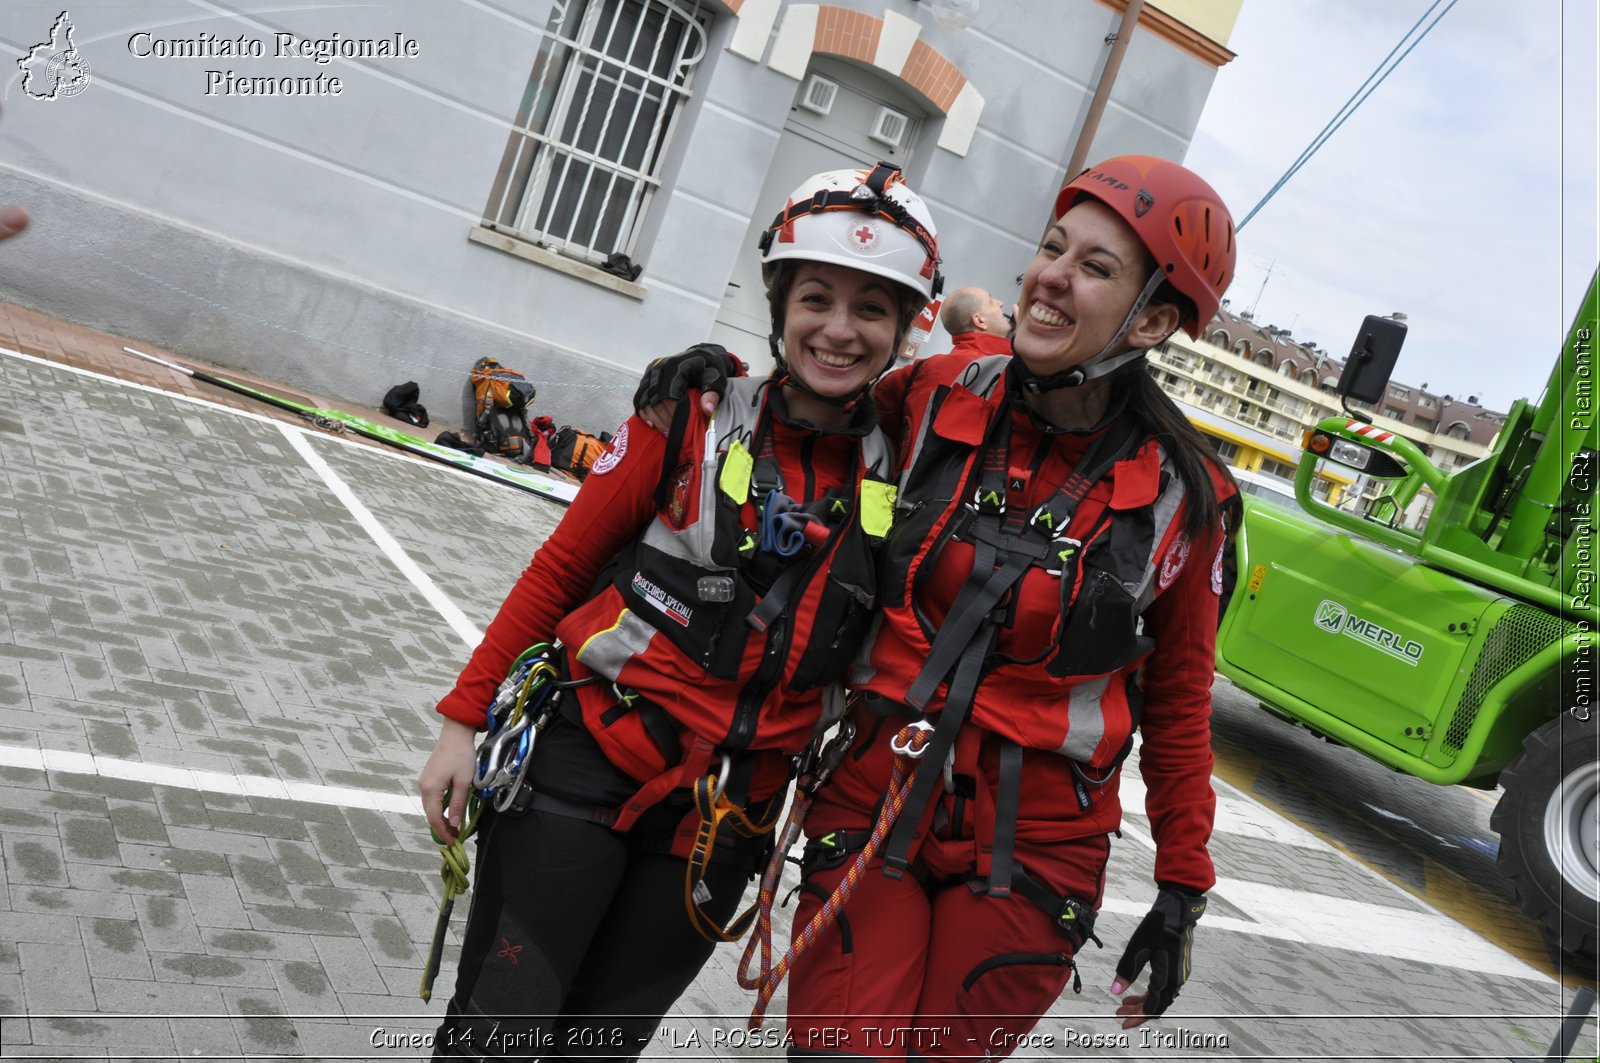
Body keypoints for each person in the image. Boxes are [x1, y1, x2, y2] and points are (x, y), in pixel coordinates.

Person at [634, 155, 1238, 1060]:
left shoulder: (1188, 501)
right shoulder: (937, 391)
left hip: (1038, 842)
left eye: (1096, 268)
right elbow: (812, 408)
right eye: (1051, 247)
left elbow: (1182, 698)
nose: (1050, 278)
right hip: (877, 785)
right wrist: (719, 381)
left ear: (1152, 319)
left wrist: (1183, 881)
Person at [418, 161, 941, 1061]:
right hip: (580, 776)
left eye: (873, 309)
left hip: (722, 825)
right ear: (778, 301)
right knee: (493, 1040)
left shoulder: (909, 469)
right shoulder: (689, 412)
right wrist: (462, 722)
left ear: (904, 330)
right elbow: (562, 567)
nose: (840, 330)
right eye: (817, 297)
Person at [939, 285, 1013, 359]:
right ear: (979, 321)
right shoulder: (1001, 365)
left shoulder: (935, 364)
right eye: (991, 301)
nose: (1001, 303)